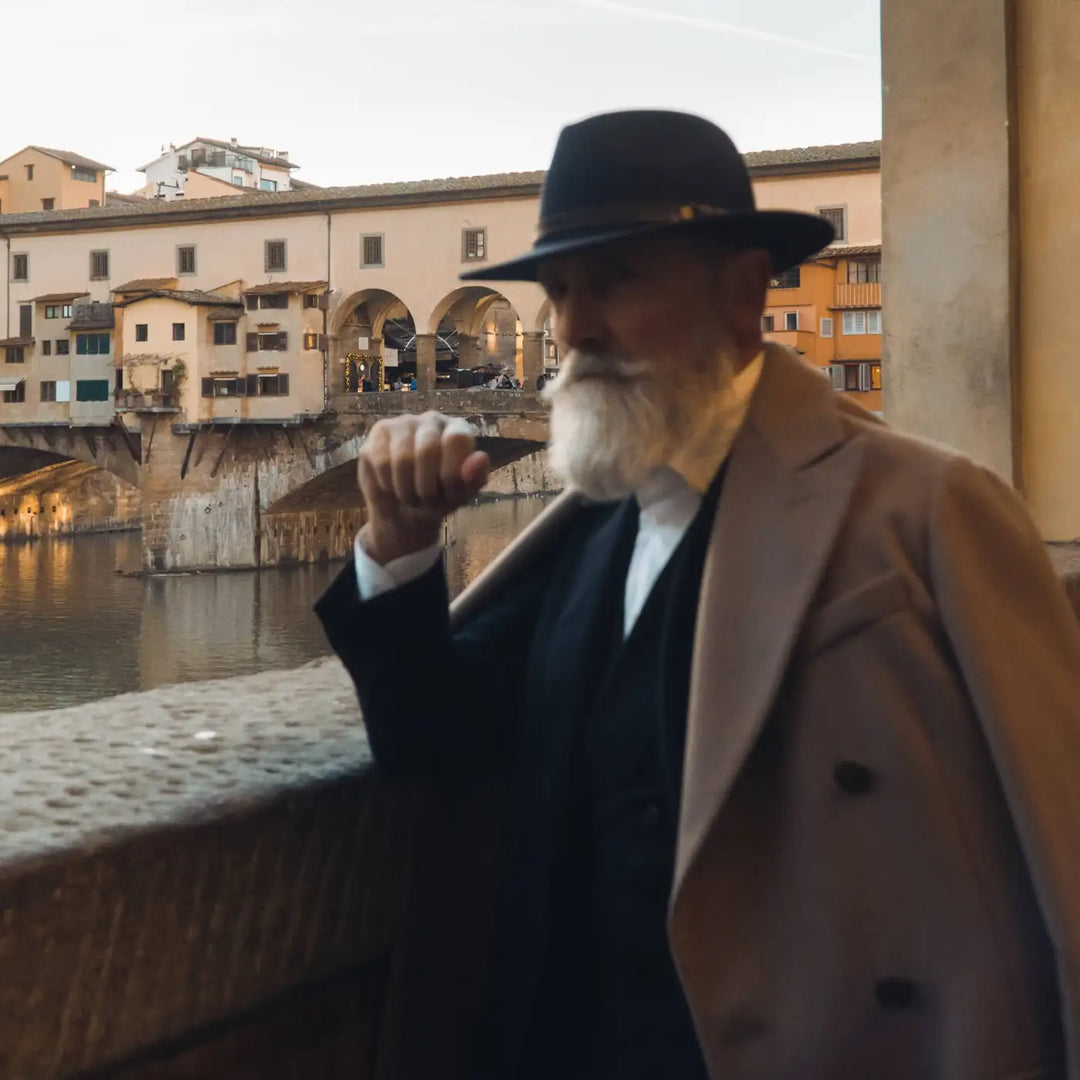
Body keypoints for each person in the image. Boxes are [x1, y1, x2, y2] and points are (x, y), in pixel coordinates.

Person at [316, 111, 1080, 1080]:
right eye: (558, 292)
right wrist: (398, 543)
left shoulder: (930, 511)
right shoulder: (588, 530)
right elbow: (440, 744)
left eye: (618, 280)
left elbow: (1062, 859)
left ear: (746, 289)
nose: (574, 328)